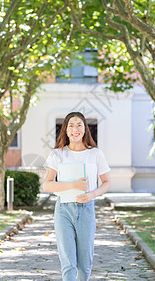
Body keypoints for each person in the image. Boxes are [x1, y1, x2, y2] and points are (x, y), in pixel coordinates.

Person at [43, 111, 111, 281]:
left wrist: (92, 194)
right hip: (63, 210)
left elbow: (107, 182)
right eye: (71, 125)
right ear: (65, 130)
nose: (75, 129)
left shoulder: (95, 154)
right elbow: (47, 184)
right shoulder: (57, 154)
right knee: (68, 262)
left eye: (79, 125)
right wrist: (72, 185)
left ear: (85, 129)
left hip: (86, 209)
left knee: (85, 263)